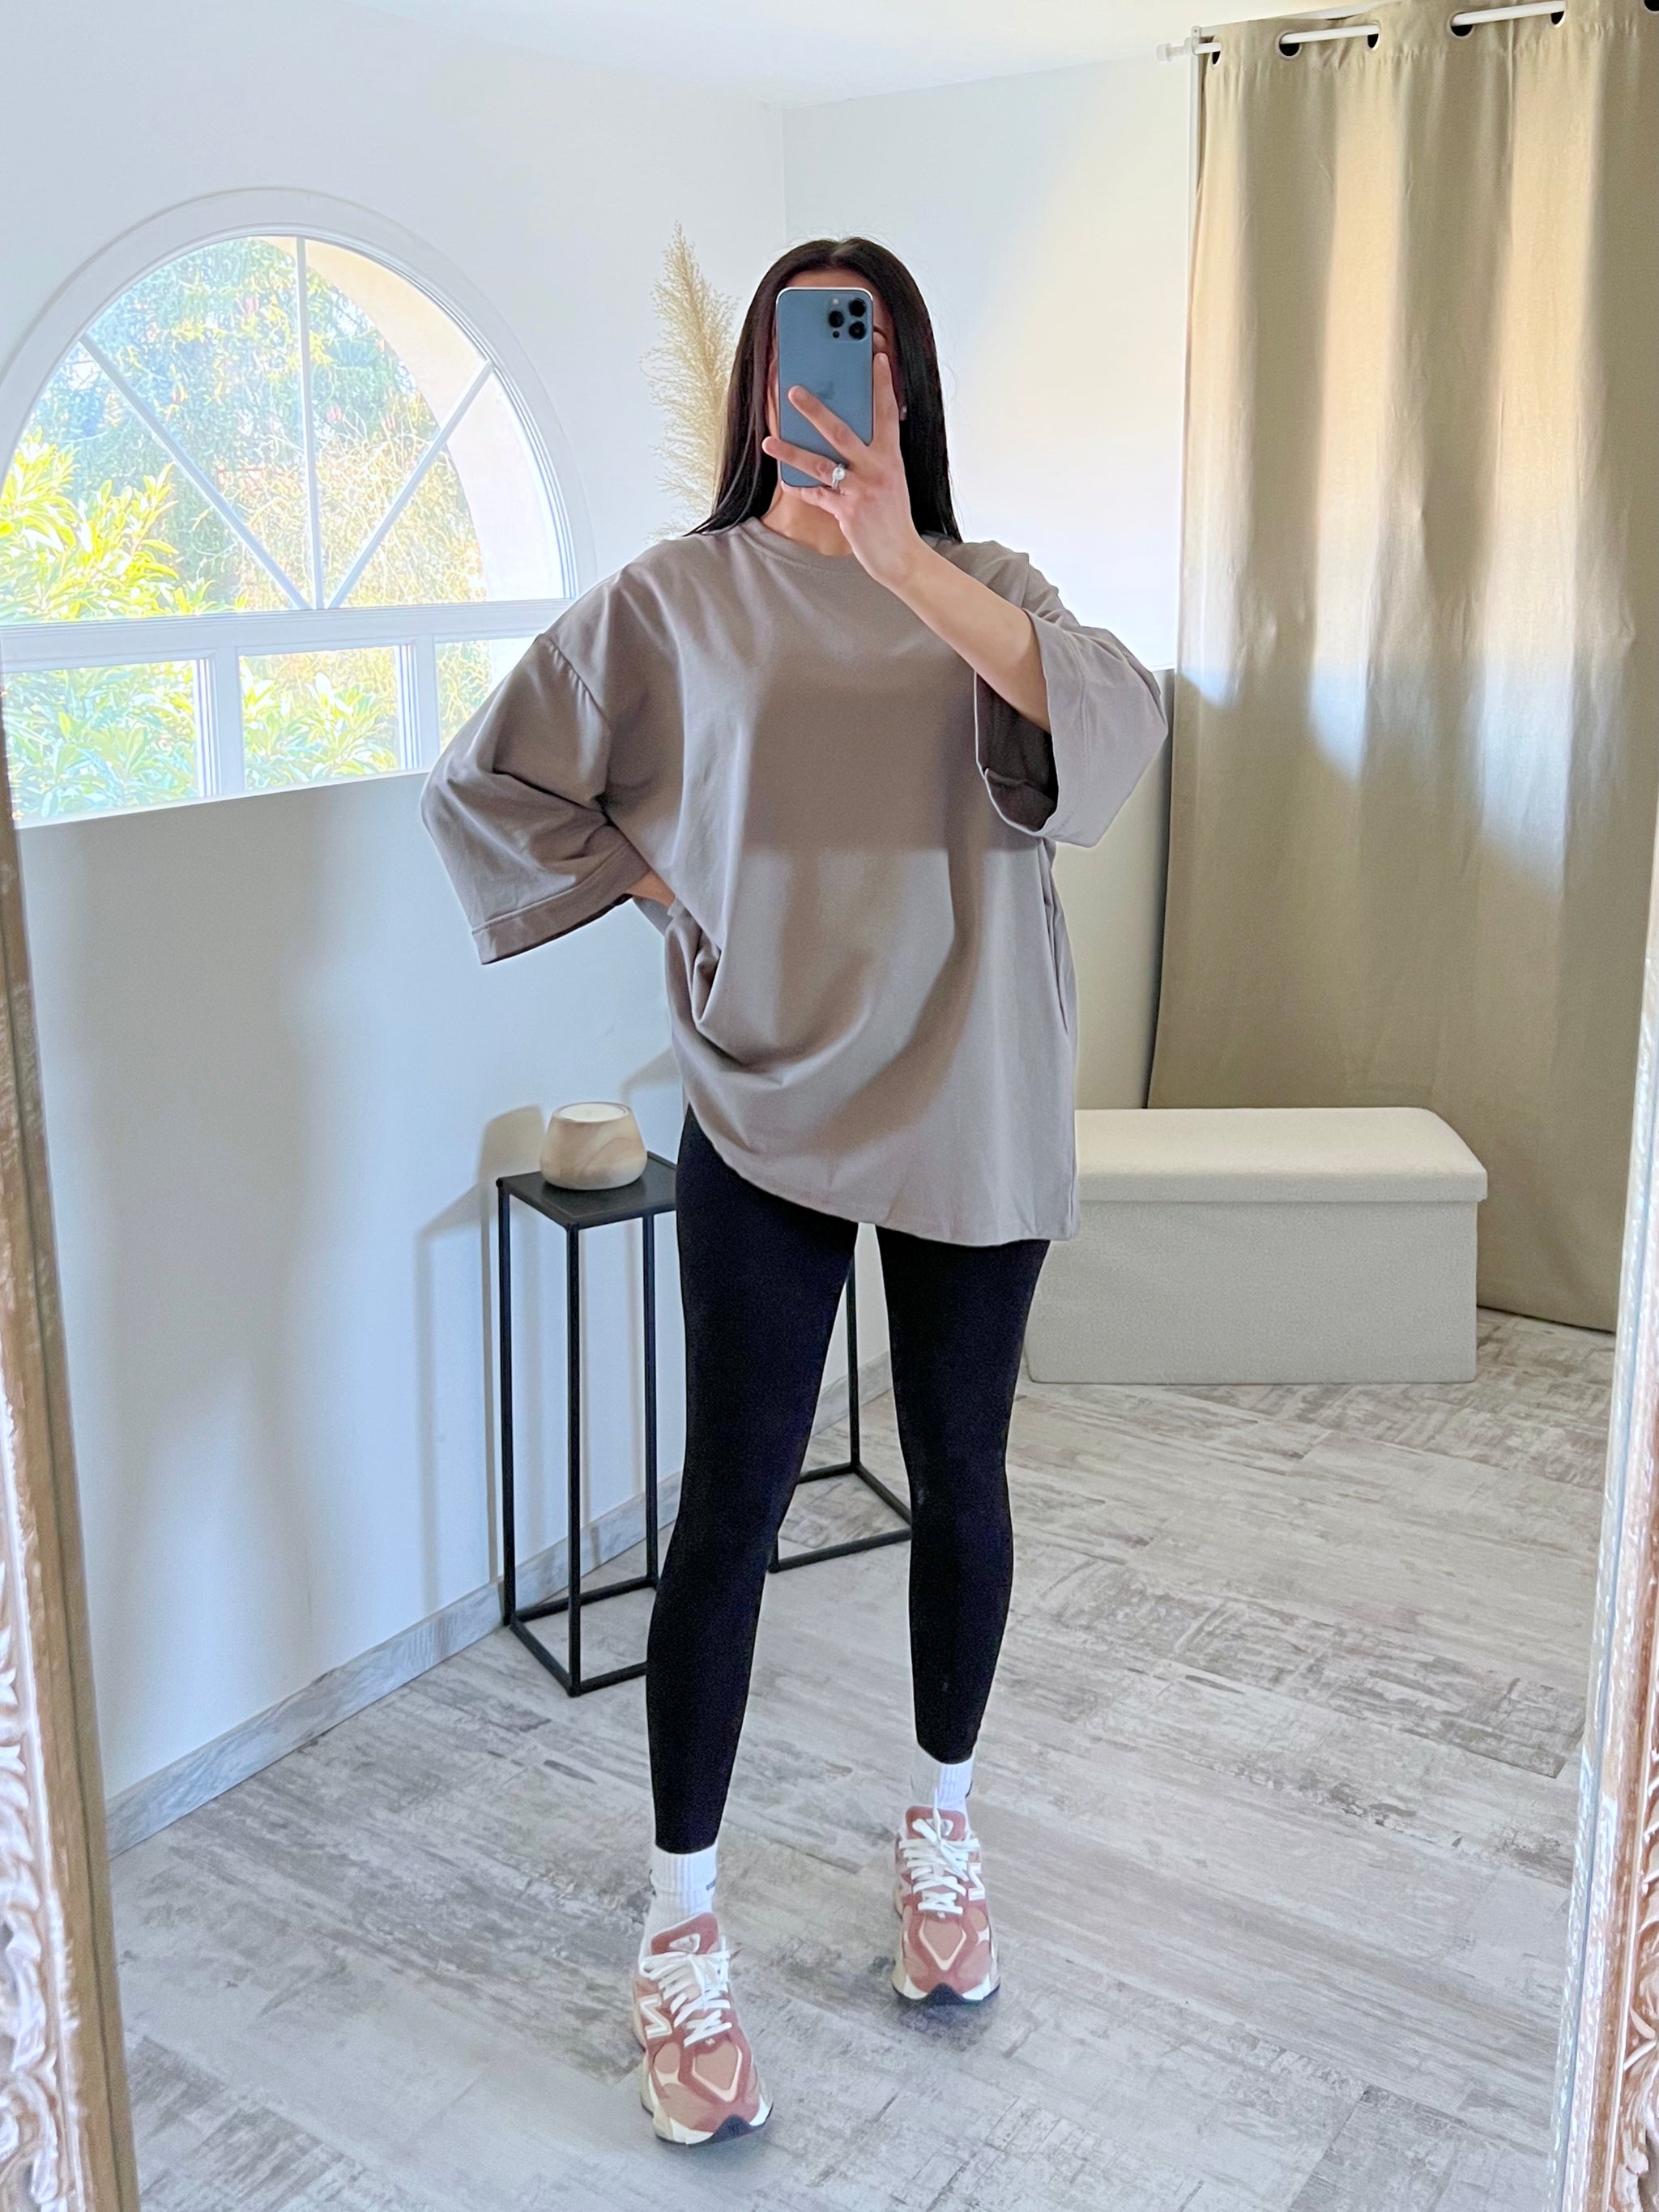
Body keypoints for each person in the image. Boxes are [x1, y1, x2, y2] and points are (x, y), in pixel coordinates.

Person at [422, 237, 1166, 2146]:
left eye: (868, 351)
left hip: (971, 1083)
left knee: (962, 1476)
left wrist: (900, 555)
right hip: (759, 1096)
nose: (832, 383)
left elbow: (1108, 741)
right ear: (764, 385)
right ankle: (679, 1921)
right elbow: (490, 782)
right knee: (732, 1504)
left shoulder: (990, 589)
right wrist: (658, 879)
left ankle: (942, 1828)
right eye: (804, 352)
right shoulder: (672, 600)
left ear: (904, 385)